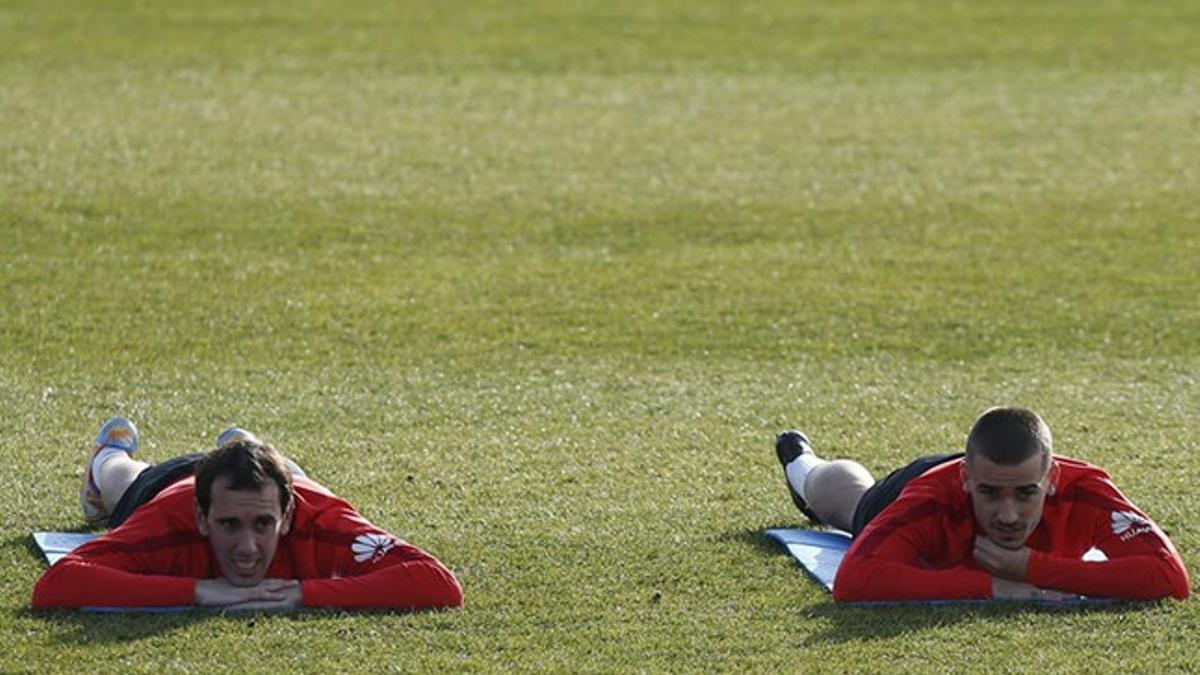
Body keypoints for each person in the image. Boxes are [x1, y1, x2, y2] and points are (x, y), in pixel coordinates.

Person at [32, 418, 464, 611]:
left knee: (294, 475)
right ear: (201, 520)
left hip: (296, 481)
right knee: (123, 481)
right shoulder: (169, 519)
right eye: (227, 525)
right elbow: (57, 585)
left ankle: (246, 445)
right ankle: (106, 457)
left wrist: (302, 594)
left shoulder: (323, 521)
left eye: (263, 524)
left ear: (288, 516)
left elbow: (438, 583)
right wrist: (200, 591)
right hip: (171, 485)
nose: (247, 548)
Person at [773, 407, 1190, 602]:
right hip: (920, 478)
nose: (1008, 515)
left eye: (1026, 493)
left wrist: (1031, 568)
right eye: (990, 494)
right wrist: (995, 586)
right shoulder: (932, 497)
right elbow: (853, 581)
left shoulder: (1085, 490)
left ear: (1052, 480)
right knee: (845, 502)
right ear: (966, 480)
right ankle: (802, 462)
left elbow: (1170, 578)